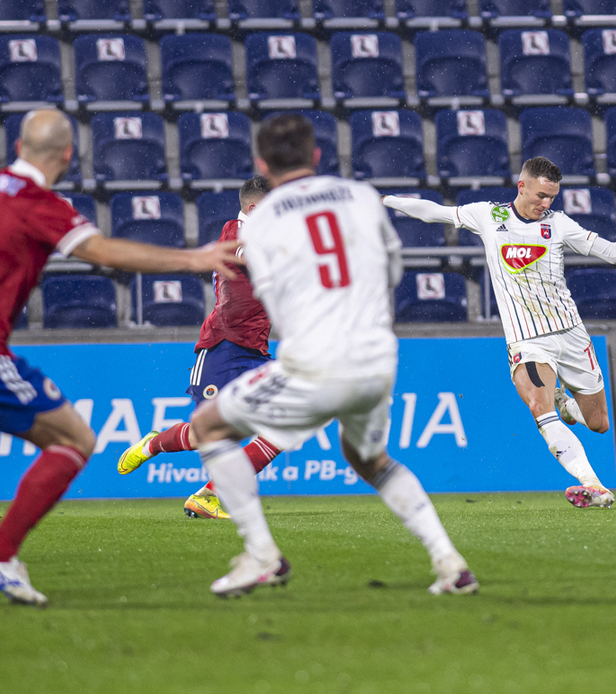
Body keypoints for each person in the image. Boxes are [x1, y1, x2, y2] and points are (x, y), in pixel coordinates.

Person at [0, 110, 241, 608]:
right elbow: (102, 251)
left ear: (19, 145)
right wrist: (193, 259)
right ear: (69, 155)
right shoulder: (36, 202)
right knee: (76, 440)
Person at [185, 114, 477, 598]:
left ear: (263, 164)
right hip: (377, 357)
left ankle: (262, 556)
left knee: (210, 427)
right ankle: (450, 562)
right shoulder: (359, 196)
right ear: (317, 155)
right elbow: (392, 270)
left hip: (316, 360)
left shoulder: (263, 220)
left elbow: (270, 299)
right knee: (370, 460)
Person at [383, 159, 616, 508]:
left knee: (598, 423)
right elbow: (434, 212)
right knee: (539, 405)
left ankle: (566, 406)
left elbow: (611, 253)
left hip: (572, 334)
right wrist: (385, 200)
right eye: (541, 195)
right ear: (521, 186)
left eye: (552, 197)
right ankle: (593, 485)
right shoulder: (489, 215)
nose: (546, 203)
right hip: (528, 339)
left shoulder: (559, 224)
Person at [116, 176, 286, 520]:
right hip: (223, 347)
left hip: (256, 352)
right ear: (255, 208)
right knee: (207, 434)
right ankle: (153, 444)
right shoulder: (235, 232)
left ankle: (209, 495)